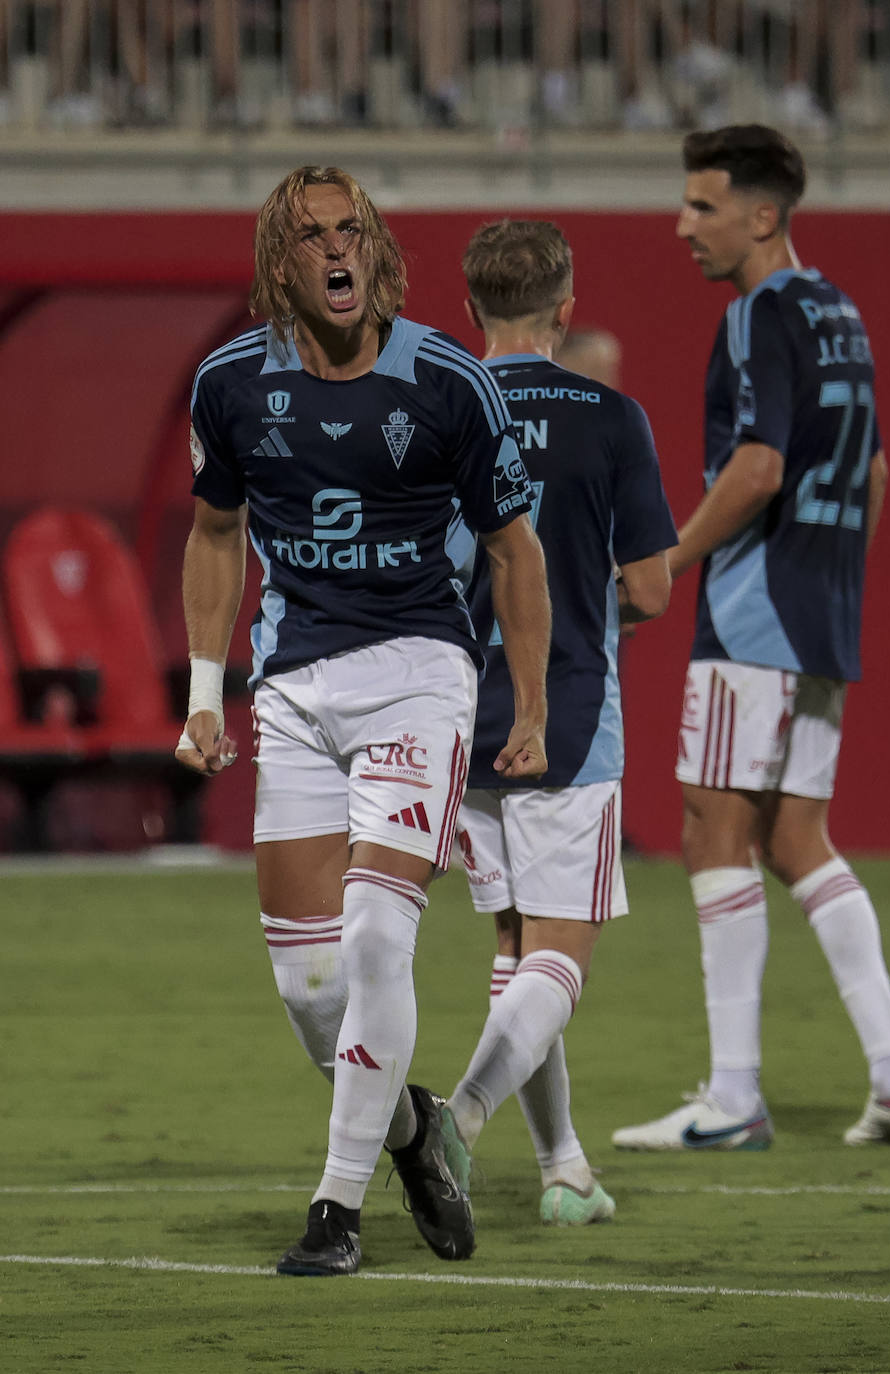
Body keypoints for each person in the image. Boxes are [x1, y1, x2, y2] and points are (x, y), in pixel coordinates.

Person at [176, 165, 550, 1274]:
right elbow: (212, 536)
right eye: (310, 238)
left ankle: (337, 1212)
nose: (336, 252)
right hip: (291, 691)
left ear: (376, 249)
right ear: (279, 261)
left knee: (382, 933)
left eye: (351, 232)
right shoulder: (231, 383)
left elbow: (513, 552)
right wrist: (205, 699)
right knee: (307, 986)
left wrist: (525, 706)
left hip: (419, 674)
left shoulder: (448, 381)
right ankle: (408, 1130)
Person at [613, 124, 890, 1153]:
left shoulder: (757, 315)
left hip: (752, 614)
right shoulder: (841, 312)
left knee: (713, 829)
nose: (683, 226)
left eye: (702, 207)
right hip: (825, 610)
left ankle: (735, 1096)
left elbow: (756, 468)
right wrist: (830, 580)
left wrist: (670, 558)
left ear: (762, 215)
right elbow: (875, 473)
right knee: (798, 839)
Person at [447, 219, 676, 1221]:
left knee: (513, 953)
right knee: (559, 959)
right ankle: (454, 1121)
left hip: (458, 712)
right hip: (570, 711)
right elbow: (655, 591)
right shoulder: (611, 419)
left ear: (471, 310)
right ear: (566, 310)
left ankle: (564, 1169)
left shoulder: (429, 412)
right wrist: (588, 605)